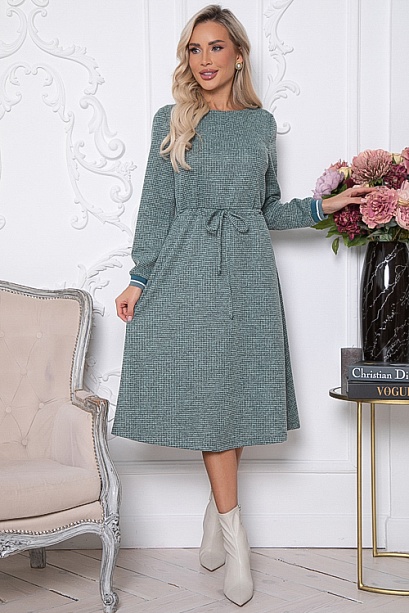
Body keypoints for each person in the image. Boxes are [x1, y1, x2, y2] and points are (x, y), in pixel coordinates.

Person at [113, 4, 374, 606]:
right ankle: (238, 542)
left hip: (250, 275)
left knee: (237, 395)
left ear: (238, 56)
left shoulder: (261, 125)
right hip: (187, 274)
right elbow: (156, 207)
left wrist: (324, 207)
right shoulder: (171, 120)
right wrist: (139, 278)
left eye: (215, 47)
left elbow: (267, 208)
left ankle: (216, 511)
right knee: (211, 401)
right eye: (194, 49)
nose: (204, 60)